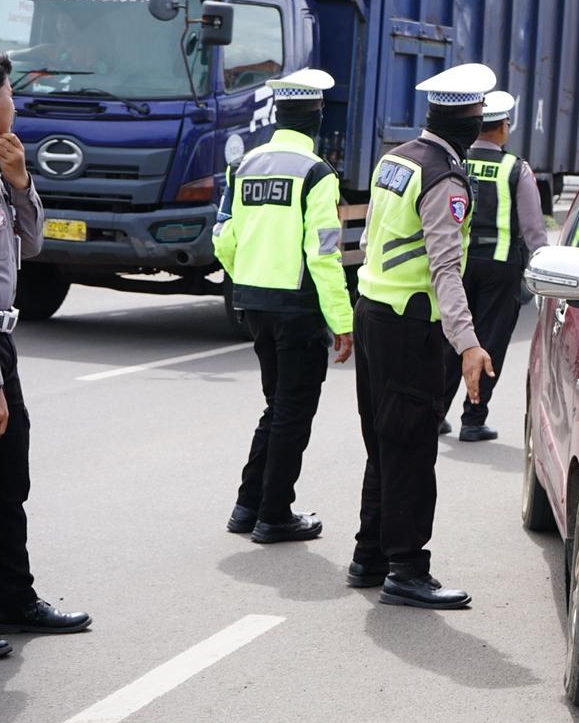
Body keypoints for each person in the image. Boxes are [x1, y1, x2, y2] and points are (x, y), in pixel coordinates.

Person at [0, 47, 91, 661]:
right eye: (9, 93)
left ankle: (12, 598)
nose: (14, 103)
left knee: (7, 480)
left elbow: (28, 246)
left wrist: (22, 181)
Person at [348, 63, 496, 608]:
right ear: (470, 120)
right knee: (410, 446)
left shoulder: (398, 158)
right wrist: (468, 342)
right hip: (410, 325)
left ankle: (370, 555)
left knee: (384, 441)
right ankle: (407, 569)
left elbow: (370, 239)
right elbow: (445, 267)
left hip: (372, 312)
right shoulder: (445, 177)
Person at [212, 68, 354, 544]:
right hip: (298, 308)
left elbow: (223, 237)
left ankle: (247, 506)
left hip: (253, 302)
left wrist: (249, 277)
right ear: (317, 115)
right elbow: (324, 254)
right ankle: (274, 515)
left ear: (279, 114)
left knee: (277, 407)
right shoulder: (317, 173)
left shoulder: (244, 165)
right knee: (293, 413)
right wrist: (342, 320)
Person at [439, 90, 548, 441]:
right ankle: (473, 419)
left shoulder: (455, 163)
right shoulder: (515, 168)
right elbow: (533, 229)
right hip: (500, 268)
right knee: (490, 342)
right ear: (502, 128)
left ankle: (435, 413)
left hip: (457, 265)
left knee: (451, 338)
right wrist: (545, 272)